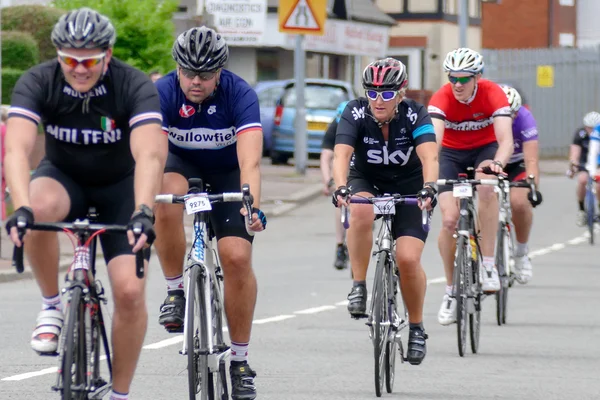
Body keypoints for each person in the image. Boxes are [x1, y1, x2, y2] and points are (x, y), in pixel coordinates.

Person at [3, 8, 166, 400]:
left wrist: (144, 211)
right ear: (59, 56)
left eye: (90, 60)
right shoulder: (39, 81)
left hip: (120, 188)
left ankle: (120, 393)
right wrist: (20, 208)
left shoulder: (133, 84)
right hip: (64, 179)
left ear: (107, 56)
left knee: (128, 292)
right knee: (37, 212)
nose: (79, 69)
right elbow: (16, 150)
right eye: (70, 60)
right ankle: (51, 305)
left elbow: (150, 156)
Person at [153, 26, 266, 399]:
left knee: (236, 258)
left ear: (220, 71)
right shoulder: (164, 92)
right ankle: (175, 291)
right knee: (164, 197)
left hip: (227, 172)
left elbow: (250, 161)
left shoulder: (240, 94)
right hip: (179, 165)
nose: (195, 81)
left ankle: (240, 360)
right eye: (187, 72)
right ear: (177, 68)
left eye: (204, 74)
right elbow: (151, 156)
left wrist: (252, 205)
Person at [332, 57, 438, 365]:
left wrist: (430, 187)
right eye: (373, 92)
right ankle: (358, 285)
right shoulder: (355, 111)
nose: (379, 100)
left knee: (407, 258)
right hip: (367, 179)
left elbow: (430, 157)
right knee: (360, 210)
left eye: (387, 93)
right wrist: (340, 186)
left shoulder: (416, 114)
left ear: (401, 93)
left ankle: (416, 327)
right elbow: (341, 154)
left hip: (410, 184)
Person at [427, 48, 514, 326]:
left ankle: (489, 264)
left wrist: (498, 163)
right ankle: (451, 292)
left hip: (484, 150)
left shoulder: (493, 94)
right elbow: (434, 144)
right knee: (450, 220)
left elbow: (506, 141)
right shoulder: (441, 97)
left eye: (464, 78)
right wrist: (427, 173)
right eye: (453, 78)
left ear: (478, 77)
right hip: (451, 155)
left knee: (487, 186)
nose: (458, 84)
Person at [498, 85, 543, 284]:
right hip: (492, 162)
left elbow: (532, 160)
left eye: (513, 115)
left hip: (517, 164)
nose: (510, 120)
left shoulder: (525, 118)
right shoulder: (485, 118)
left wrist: (532, 186)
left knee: (519, 203)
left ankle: (522, 253)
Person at [320, 100, 349, 270]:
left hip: (357, 167)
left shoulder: (362, 124)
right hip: (341, 169)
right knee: (340, 205)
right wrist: (328, 182)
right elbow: (325, 157)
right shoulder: (334, 127)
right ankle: (340, 246)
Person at [568, 111, 600, 225]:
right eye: (588, 128)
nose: (591, 131)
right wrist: (573, 165)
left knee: (599, 183)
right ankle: (582, 210)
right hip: (584, 163)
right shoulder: (580, 134)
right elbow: (575, 152)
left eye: (594, 128)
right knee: (582, 180)